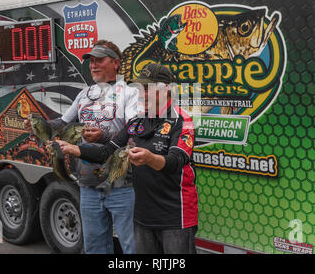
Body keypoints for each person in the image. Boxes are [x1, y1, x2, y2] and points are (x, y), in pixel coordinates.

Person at [58, 63, 199, 254]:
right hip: (142, 216)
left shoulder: (182, 120)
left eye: (148, 88)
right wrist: (76, 149)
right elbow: (107, 151)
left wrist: (150, 158)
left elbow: (176, 161)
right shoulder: (137, 121)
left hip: (175, 216)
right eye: (140, 88)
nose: (141, 93)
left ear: (167, 90)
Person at [25, 40, 139, 254]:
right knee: (95, 247)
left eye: (99, 60)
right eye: (91, 61)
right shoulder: (84, 94)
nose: (93, 65)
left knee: (131, 247)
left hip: (122, 185)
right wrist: (38, 125)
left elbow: (134, 133)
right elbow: (62, 124)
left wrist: (103, 135)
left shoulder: (130, 93)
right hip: (88, 185)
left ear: (116, 63)